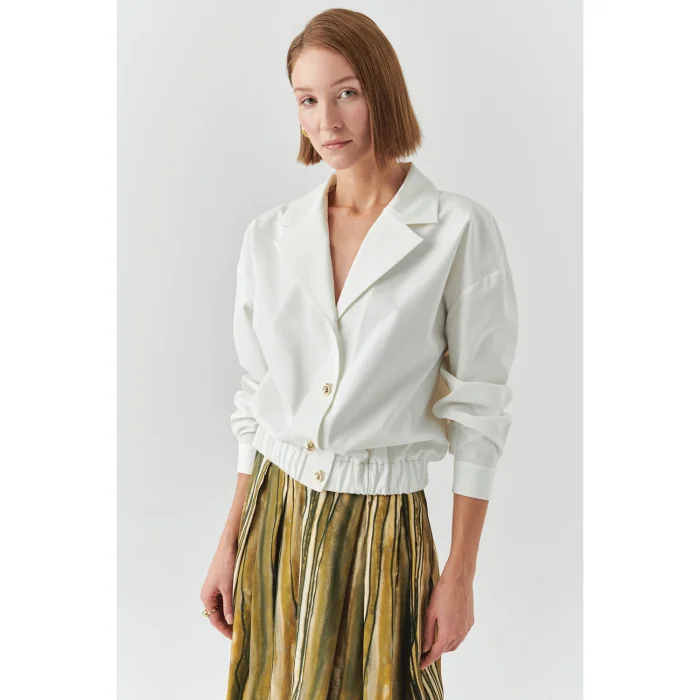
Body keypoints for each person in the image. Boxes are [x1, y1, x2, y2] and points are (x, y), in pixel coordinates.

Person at [202, 8, 519, 699]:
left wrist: (460, 573)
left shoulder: (458, 231)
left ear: (383, 89)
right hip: (274, 520)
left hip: (381, 530)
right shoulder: (269, 237)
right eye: (307, 100)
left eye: (346, 93)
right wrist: (229, 540)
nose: (327, 122)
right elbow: (256, 402)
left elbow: (480, 413)